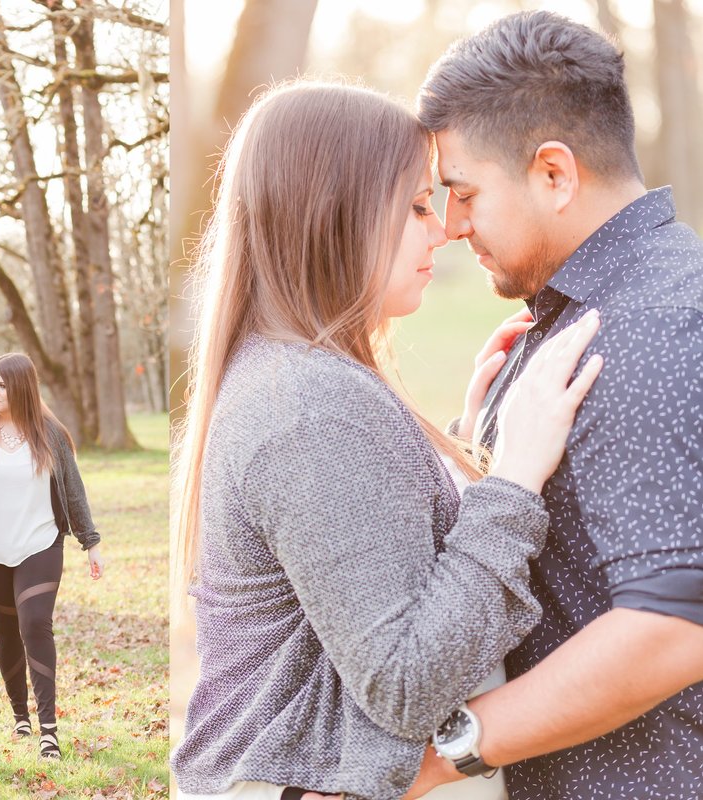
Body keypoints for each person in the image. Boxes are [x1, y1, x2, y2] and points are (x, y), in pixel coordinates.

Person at [169, 80, 604, 800]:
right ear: (331, 212)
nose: (440, 230)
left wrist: (458, 450)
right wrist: (515, 477)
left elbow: (366, 566)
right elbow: (406, 684)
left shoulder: (300, 378)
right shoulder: (309, 406)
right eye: (414, 205)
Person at [407, 11, 703, 799]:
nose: (451, 224)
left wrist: (442, 757)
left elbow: (674, 624)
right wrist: (475, 440)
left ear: (553, 173)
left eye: (463, 192)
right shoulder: (583, 310)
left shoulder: (649, 325)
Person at [0, 352, 105, 760]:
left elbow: (73, 488)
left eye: (1, 384)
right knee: (6, 628)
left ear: (21, 386)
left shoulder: (49, 433)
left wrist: (91, 542)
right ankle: (20, 712)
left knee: (35, 623)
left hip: (40, 543)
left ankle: (48, 730)